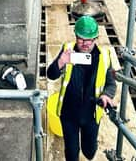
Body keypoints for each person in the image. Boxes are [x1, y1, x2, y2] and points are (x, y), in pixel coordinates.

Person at [47, 15, 116, 161]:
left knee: (89, 151)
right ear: (76, 36)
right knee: (71, 152)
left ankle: (89, 150)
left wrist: (106, 95)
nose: (85, 43)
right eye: (81, 38)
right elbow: (51, 75)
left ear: (96, 38)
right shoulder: (68, 50)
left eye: (89, 39)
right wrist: (60, 62)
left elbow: (111, 83)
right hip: (69, 114)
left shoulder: (104, 56)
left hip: (91, 115)